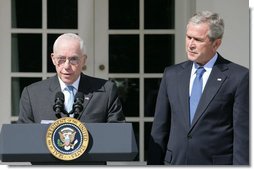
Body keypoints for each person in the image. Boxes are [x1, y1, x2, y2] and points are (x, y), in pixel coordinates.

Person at [147, 11, 249, 165]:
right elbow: (160, 128)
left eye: (198, 40)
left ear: (216, 44)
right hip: (175, 163)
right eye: (189, 37)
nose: (190, 45)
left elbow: (242, 136)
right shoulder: (172, 74)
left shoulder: (238, 77)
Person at [17, 33, 125, 123]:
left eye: (73, 59)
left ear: (84, 60)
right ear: (53, 59)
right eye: (61, 59)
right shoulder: (32, 94)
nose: (67, 66)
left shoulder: (106, 91)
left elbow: (117, 135)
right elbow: (23, 137)